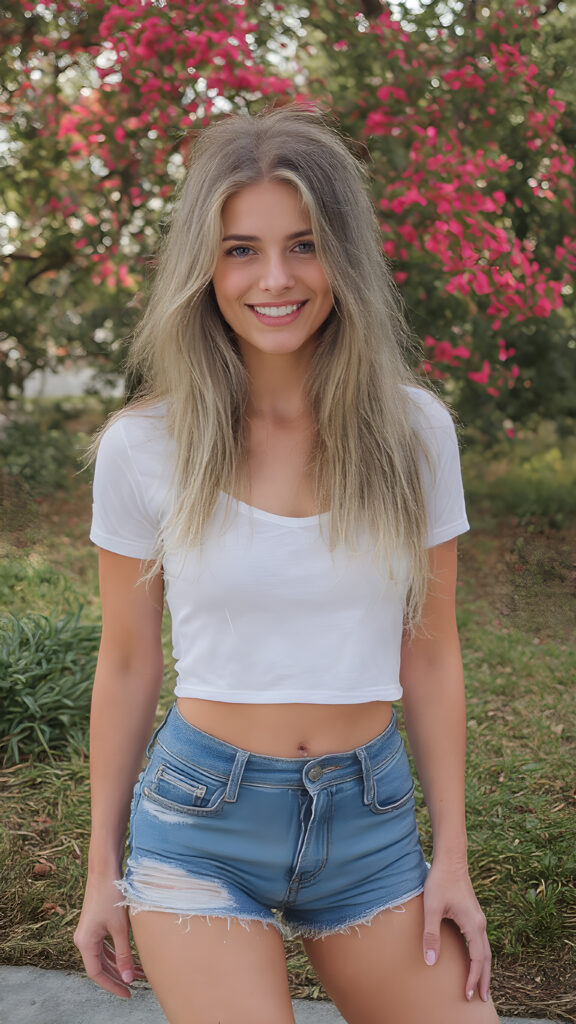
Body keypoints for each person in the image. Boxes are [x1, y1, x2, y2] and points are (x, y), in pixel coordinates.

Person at [74, 106, 499, 1024]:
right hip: (201, 824)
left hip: (371, 825)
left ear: (343, 256)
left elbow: (431, 653)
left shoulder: (415, 432)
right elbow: (128, 662)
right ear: (205, 266)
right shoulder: (144, 447)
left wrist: (453, 858)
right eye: (241, 250)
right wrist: (101, 870)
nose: (275, 278)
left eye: (303, 245)